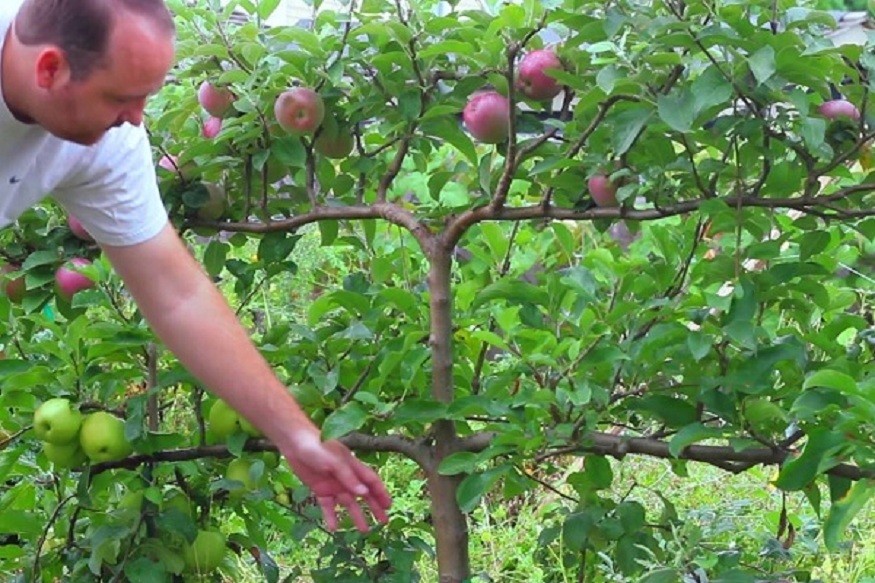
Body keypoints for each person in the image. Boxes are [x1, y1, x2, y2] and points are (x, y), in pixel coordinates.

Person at [0, 0, 391, 533]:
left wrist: (295, 434)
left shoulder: (112, 140)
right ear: (49, 69)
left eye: (144, 98)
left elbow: (176, 294)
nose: (136, 118)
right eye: (121, 97)